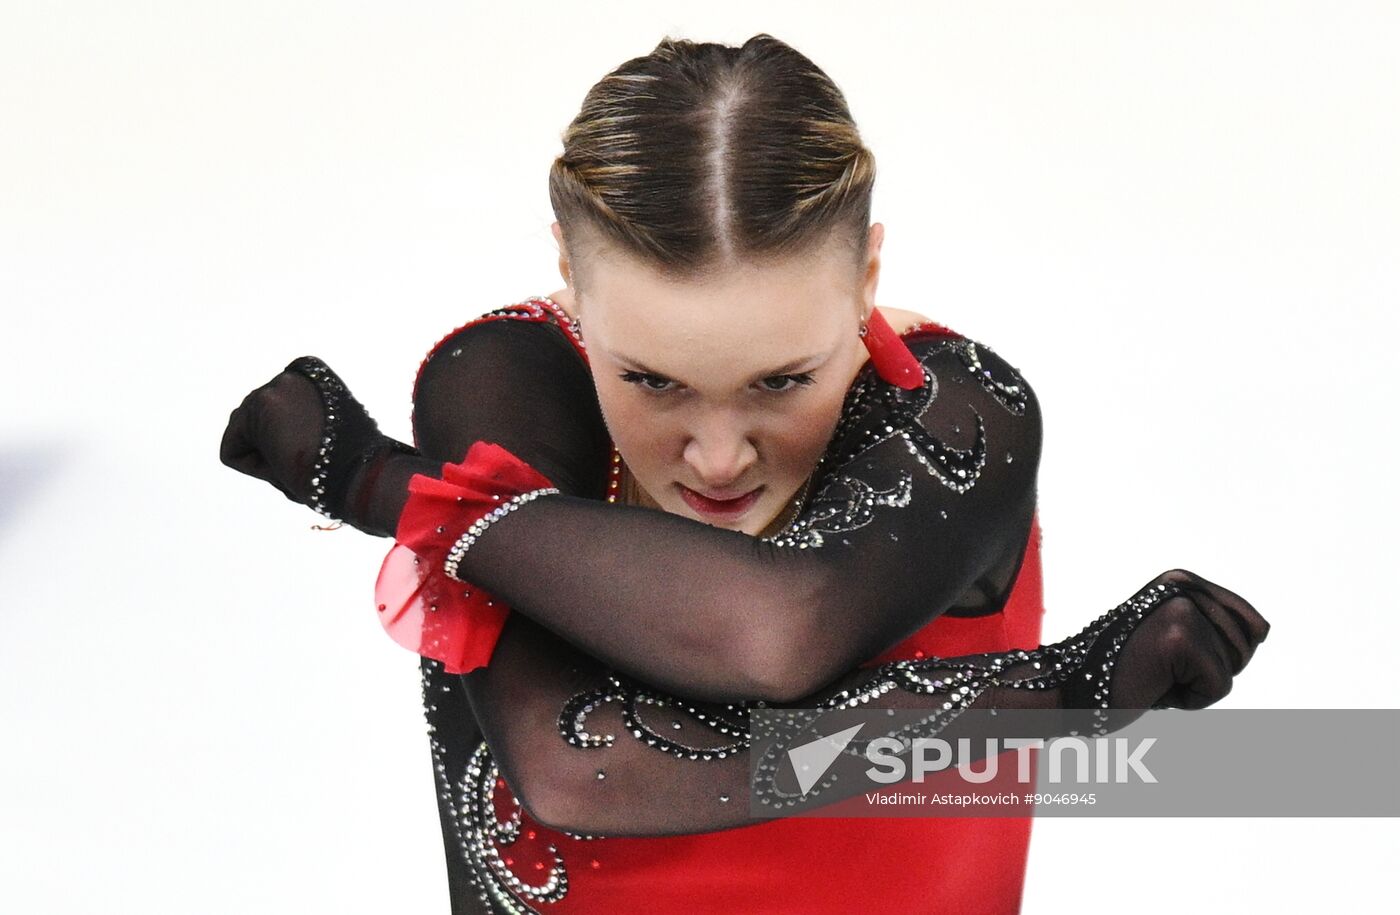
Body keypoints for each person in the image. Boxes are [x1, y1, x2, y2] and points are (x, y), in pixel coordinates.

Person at [219, 34, 1269, 914]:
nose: (717, 457)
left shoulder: (956, 412)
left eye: (778, 381)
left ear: (864, 274)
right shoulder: (502, 376)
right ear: (569, 280)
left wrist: (388, 492)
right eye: (652, 381)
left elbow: (781, 629)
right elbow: (573, 760)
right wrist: (1056, 689)